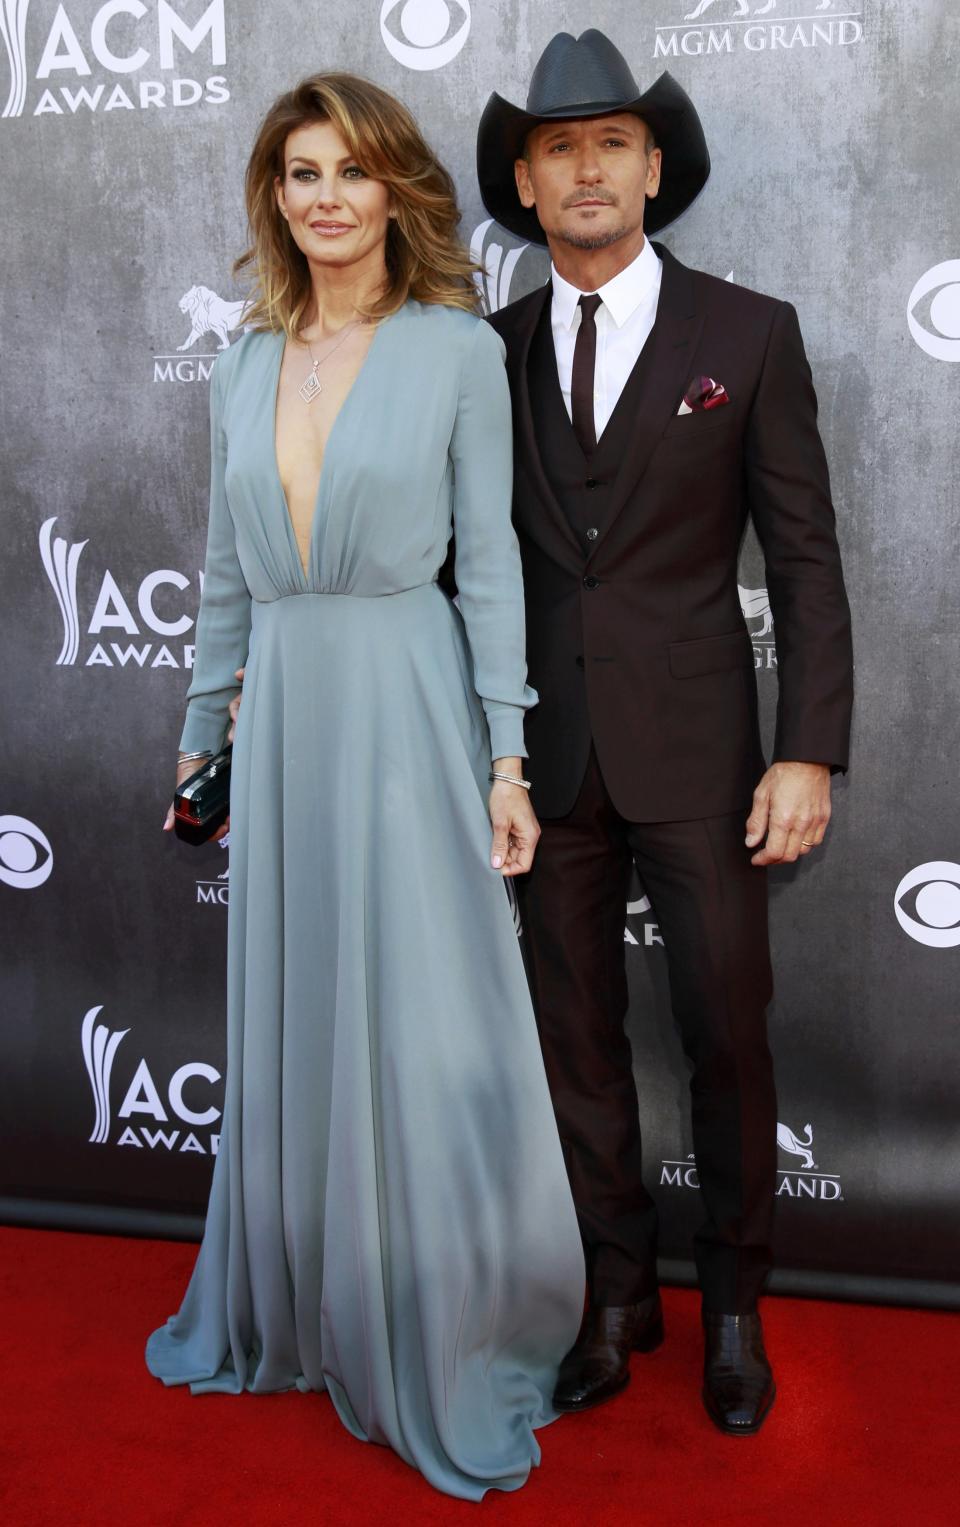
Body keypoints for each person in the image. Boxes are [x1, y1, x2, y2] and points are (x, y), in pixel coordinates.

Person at [147, 72, 585, 1501]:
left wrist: (505, 755)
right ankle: (303, 1304)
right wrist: (203, 736)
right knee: (308, 1010)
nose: (325, 197)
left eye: (350, 170)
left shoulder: (455, 350)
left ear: (398, 190)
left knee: (415, 1014)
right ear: (276, 198)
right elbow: (223, 579)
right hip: (287, 720)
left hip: (406, 704)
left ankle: (439, 1314)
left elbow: (492, 563)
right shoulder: (242, 362)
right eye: (298, 173)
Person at [477, 30, 854, 1433]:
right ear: (524, 179)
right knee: (572, 1042)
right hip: (543, 758)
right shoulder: (485, 351)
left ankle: (736, 1308)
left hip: (706, 755)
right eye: (559, 146)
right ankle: (614, 1297)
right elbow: (472, 564)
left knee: (725, 1037)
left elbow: (805, 559)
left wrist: (808, 747)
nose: (586, 167)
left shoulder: (748, 333)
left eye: (612, 143)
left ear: (653, 169)